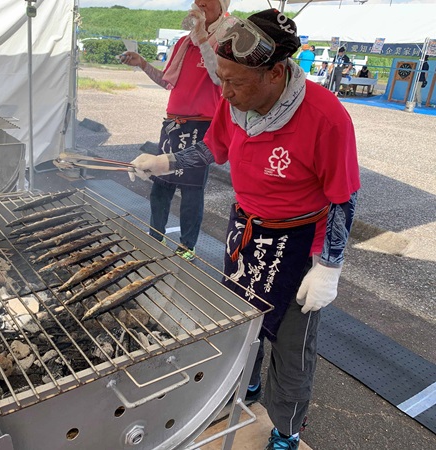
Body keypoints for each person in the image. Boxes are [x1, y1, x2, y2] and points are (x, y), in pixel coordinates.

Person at [129, 9, 360, 450]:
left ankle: (287, 431)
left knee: (292, 347)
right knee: (240, 323)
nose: (226, 92)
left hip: (298, 245)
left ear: (276, 73)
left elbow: (343, 199)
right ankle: (242, 390)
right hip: (248, 231)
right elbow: (213, 148)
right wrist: (165, 162)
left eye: (235, 82)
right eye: (222, 79)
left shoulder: (325, 117)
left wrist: (329, 267)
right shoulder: (235, 101)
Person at [120, 0, 229, 261]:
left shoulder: (225, 39)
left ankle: (187, 246)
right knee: (162, 185)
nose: (200, 3)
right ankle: (154, 237)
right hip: (173, 124)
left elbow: (219, 77)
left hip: (201, 124)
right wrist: (143, 63)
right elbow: (167, 81)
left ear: (223, 5)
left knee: (191, 190)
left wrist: (203, 35)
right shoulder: (183, 43)